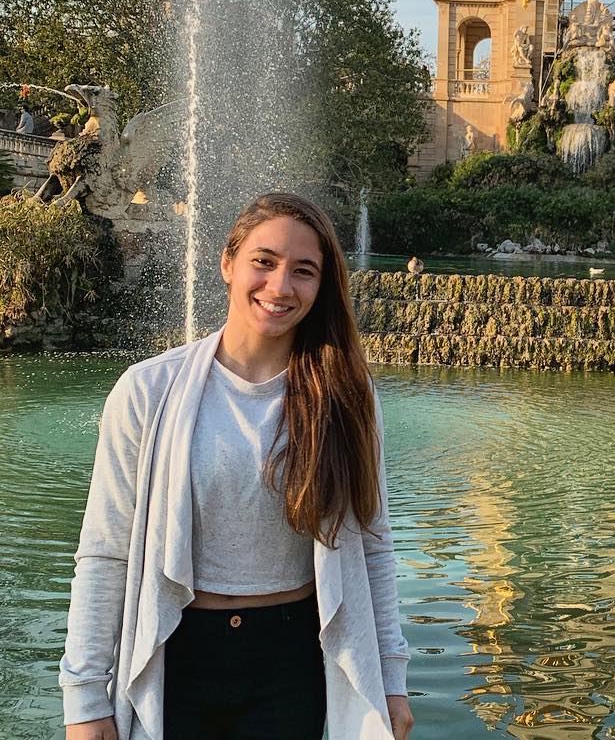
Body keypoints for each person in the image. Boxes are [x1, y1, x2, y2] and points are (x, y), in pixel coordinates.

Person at [60, 193, 412, 740]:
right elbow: (106, 552)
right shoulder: (146, 390)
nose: (280, 286)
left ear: (322, 286)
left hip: (292, 660)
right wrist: (84, 697)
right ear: (227, 263)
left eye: (303, 271)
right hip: (178, 651)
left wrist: (391, 679)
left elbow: (374, 542)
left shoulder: (346, 395)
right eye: (264, 261)